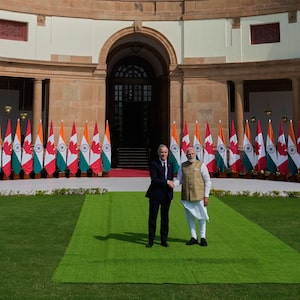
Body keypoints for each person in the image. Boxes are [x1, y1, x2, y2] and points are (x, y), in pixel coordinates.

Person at [174, 146, 212, 246]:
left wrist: (206, 196)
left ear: (195, 154)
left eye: (192, 154)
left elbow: (207, 181)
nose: (191, 155)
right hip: (187, 196)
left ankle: (203, 237)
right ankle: (193, 237)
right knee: (190, 217)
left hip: (199, 196)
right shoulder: (182, 166)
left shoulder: (201, 165)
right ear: (186, 155)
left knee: (202, 217)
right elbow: (179, 179)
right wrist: (172, 184)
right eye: (189, 154)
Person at [145, 144, 175, 248]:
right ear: (158, 153)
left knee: (165, 218)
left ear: (168, 153)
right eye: (161, 152)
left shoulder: (171, 164)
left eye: (165, 152)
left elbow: (172, 182)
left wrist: (171, 196)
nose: (163, 154)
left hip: (166, 196)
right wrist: (167, 182)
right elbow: (154, 179)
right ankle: (150, 240)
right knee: (153, 217)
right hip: (155, 194)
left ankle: (163, 240)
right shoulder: (154, 164)